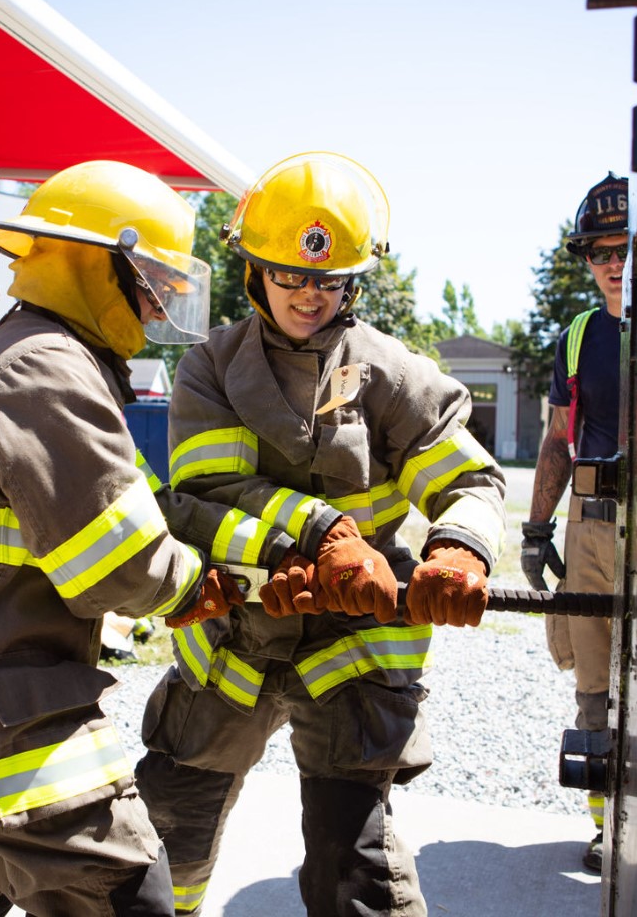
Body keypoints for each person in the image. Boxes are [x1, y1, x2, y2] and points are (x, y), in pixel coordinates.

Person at [0, 160, 300, 917]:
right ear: (94, 263)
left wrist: (267, 545)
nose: (155, 309)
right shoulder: (49, 371)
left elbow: (141, 501)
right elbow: (121, 562)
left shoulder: (21, 352)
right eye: (148, 281)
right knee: (122, 889)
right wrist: (211, 586)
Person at [134, 152, 507, 916]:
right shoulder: (211, 366)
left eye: (329, 279)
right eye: (290, 275)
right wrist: (326, 534)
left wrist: (457, 550)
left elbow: (471, 482)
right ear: (255, 272)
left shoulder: (392, 374)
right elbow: (207, 496)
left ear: (354, 282)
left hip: (351, 652)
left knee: (353, 864)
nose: (309, 293)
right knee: (169, 830)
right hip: (233, 644)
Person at [520, 172, 628, 875]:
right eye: (600, 252)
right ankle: (604, 829)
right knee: (594, 682)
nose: (614, 263)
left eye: (626, 249)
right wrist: (535, 531)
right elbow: (561, 437)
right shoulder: (579, 337)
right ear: (586, 261)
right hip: (591, 524)